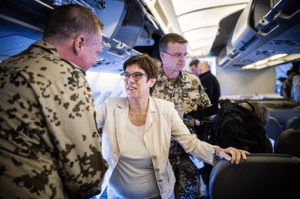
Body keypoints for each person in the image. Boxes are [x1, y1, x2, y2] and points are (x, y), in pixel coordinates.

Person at [96, 54, 249, 199]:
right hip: (117, 195)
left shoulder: (165, 110)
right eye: (126, 75)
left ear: (152, 81)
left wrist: (219, 151)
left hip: (158, 195)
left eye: (137, 75)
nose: (130, 80)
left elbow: (191, 144)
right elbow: (84, 123)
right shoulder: (110, 106)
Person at [0, 4, 106, 199]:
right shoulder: (68, 78)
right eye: (97, 53)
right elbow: (88, 180)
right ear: (79, 43)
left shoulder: (6, 65)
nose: (94, 61)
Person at [152, 33, 212, 199]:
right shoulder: (149, 80)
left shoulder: (193, 81)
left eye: (184, 55)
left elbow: (206, 110)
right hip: (158, 158)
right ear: (163, 55)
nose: (182, 60)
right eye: (177, 54)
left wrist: (206, 116)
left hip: (189, 156)